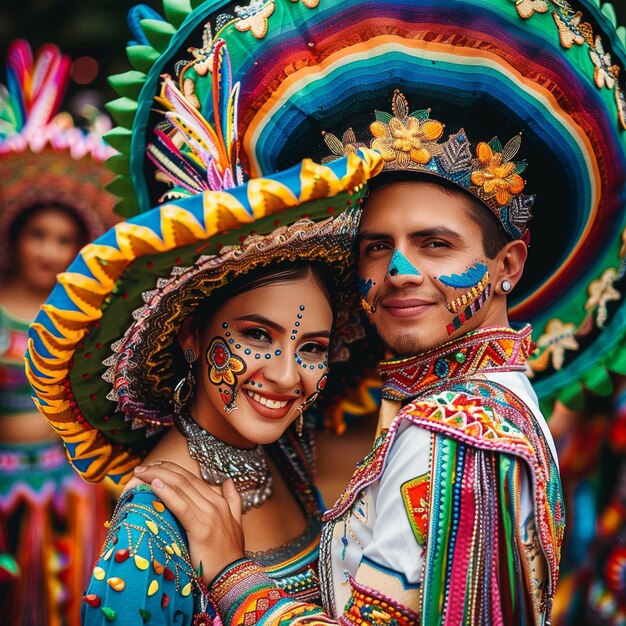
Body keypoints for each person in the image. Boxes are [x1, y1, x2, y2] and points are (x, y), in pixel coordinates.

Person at [0, 40, 118, 626]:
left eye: (63, 238)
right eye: (36, 234)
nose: (48, 250)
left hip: (75, 497)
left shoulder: (83, 317)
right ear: (13, 236)